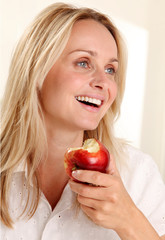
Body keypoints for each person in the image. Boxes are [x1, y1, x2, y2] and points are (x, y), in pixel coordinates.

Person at [0, 2, 165, 240]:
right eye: (83, 62)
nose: (103, 82)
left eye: (110, 70)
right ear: (37, 70)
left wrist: (129, 220)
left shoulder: (138, 174)